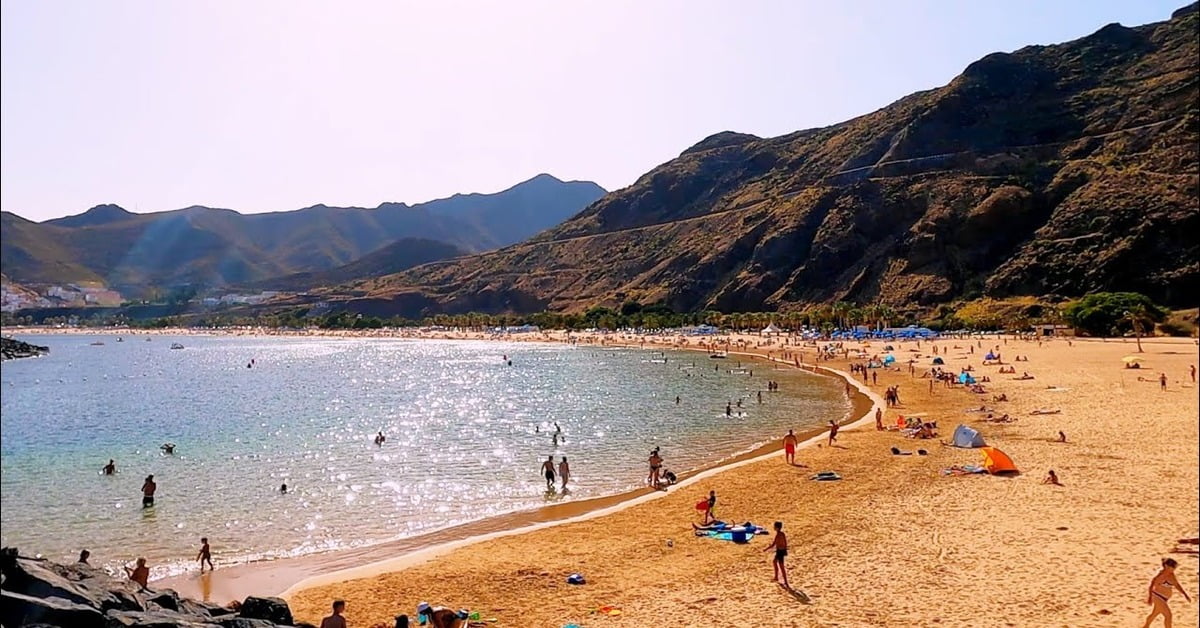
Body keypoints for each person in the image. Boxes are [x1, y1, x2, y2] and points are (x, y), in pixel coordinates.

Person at [1143, 557, 1191, 628]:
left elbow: (1176, 585)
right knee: (1168, 615)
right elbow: (1151, 585)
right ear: (1166, 566)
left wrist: (1185, 594)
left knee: (1155, 613)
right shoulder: (1160, 575)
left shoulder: (1171, 575)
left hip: (1164, 598)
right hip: (1158, 597)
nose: (1174, 569)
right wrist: (1150, 597)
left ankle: (1145, 626)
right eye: (1173, 567)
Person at [763, 521, 789, 587]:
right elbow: (783, 543)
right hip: (780, 551)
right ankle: (776, 577)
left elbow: (774, 544)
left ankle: (786, 582)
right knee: (774, 562)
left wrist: (766, 549)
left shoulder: (779, 535)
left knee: (781, 566)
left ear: (777, 528)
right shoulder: (781, 534)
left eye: (774, 526)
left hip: (780, 552)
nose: (774, 527)